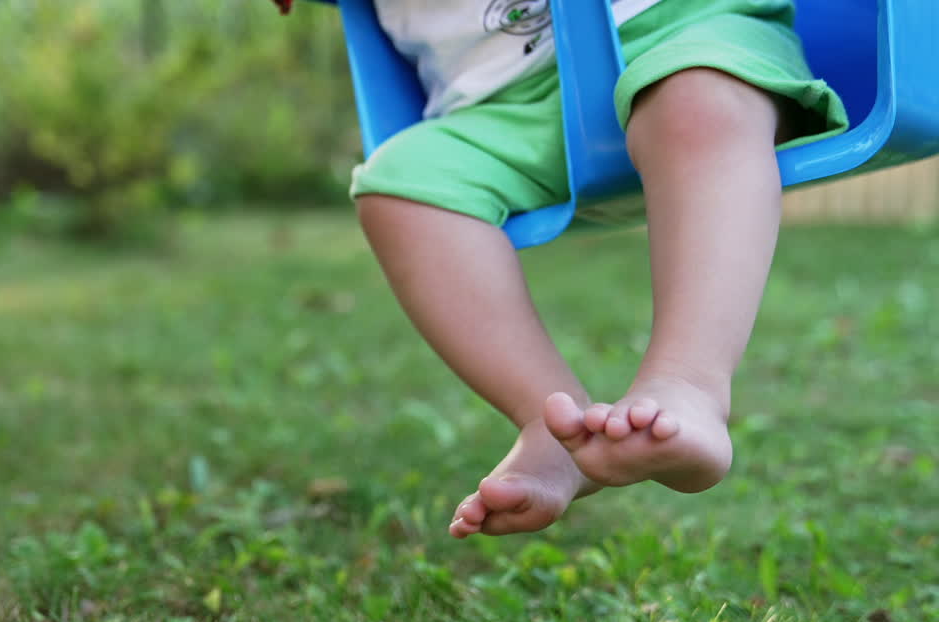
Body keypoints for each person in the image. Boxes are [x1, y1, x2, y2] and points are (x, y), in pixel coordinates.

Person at [284, 0, 848, 536]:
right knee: (399, 189)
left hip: (679, 26)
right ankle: (552, 426)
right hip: (499, 105)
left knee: (700, 105)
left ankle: (688, 384)